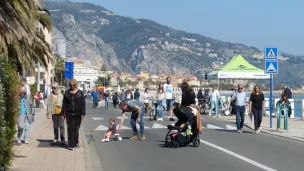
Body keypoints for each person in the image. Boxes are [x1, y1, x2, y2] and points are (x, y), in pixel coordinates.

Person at [61, 79, 86, 150]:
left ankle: (75, 142)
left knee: (76, 128)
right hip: (69, 113)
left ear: (76, 85)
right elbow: (64, 104)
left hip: (78, 113)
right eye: (70, 85)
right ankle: (71, 144)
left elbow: (83, 104)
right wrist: (63, 113)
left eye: (73, 85)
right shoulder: (66, 93)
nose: (72, 86)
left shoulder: (80, 93)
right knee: (70, 128)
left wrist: (83, 114)